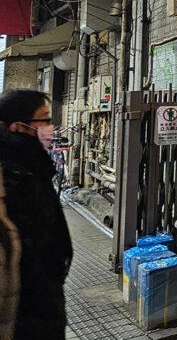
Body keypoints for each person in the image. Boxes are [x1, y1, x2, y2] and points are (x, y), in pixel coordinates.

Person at [0, 90, 73, 339]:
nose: (50, 127)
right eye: (44, 120)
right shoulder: (14, 179)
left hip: (42, 302)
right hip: (28, 310)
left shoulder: (33, 166)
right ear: (18, 127)